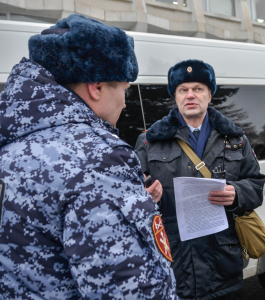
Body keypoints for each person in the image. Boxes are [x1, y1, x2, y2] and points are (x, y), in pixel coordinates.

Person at [0, 14, 177, 299]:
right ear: (96, 87)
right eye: (123, 88)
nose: (124, 101)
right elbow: (133, 289)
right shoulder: (99, 158)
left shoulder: (11, 137)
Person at [135, 59, 265, 300]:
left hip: (222, 264)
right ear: (175, 96)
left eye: (198, 89)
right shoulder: (148, 141)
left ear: (210, 95)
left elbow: (256, 187)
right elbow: (130, 198)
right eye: (183, 90)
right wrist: (145, 199)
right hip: (174, 263)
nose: (190, 95)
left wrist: (236, 193)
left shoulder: (236, 139)